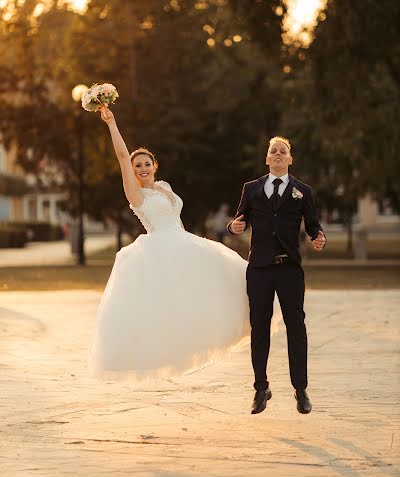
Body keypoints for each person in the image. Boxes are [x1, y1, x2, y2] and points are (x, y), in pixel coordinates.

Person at [89, 106, 273, 380]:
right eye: (136, 165)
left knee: (221, 282)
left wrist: (193, 245)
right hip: (160, 247)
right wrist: (112, 123)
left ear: (154, 166)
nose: (141, 168)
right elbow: (121, 155)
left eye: (146, 163)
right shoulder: (135, 193)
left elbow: (177, 218)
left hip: (183, 242)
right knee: (172, 304)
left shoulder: (165, 185)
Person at [228, 136, 326, 415]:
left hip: (289, 270)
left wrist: (318, 238)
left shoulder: (302, 191)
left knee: (297, 328)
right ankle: (261, 388)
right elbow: (239, 219)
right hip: (259, 270)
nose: (279, 154)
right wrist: (233, 226)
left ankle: (301, 389)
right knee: (259, 328)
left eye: (284, 151)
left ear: (290, 159)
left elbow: (313, 226)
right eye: (274, 151)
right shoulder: (252, 188)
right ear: (267, 159)